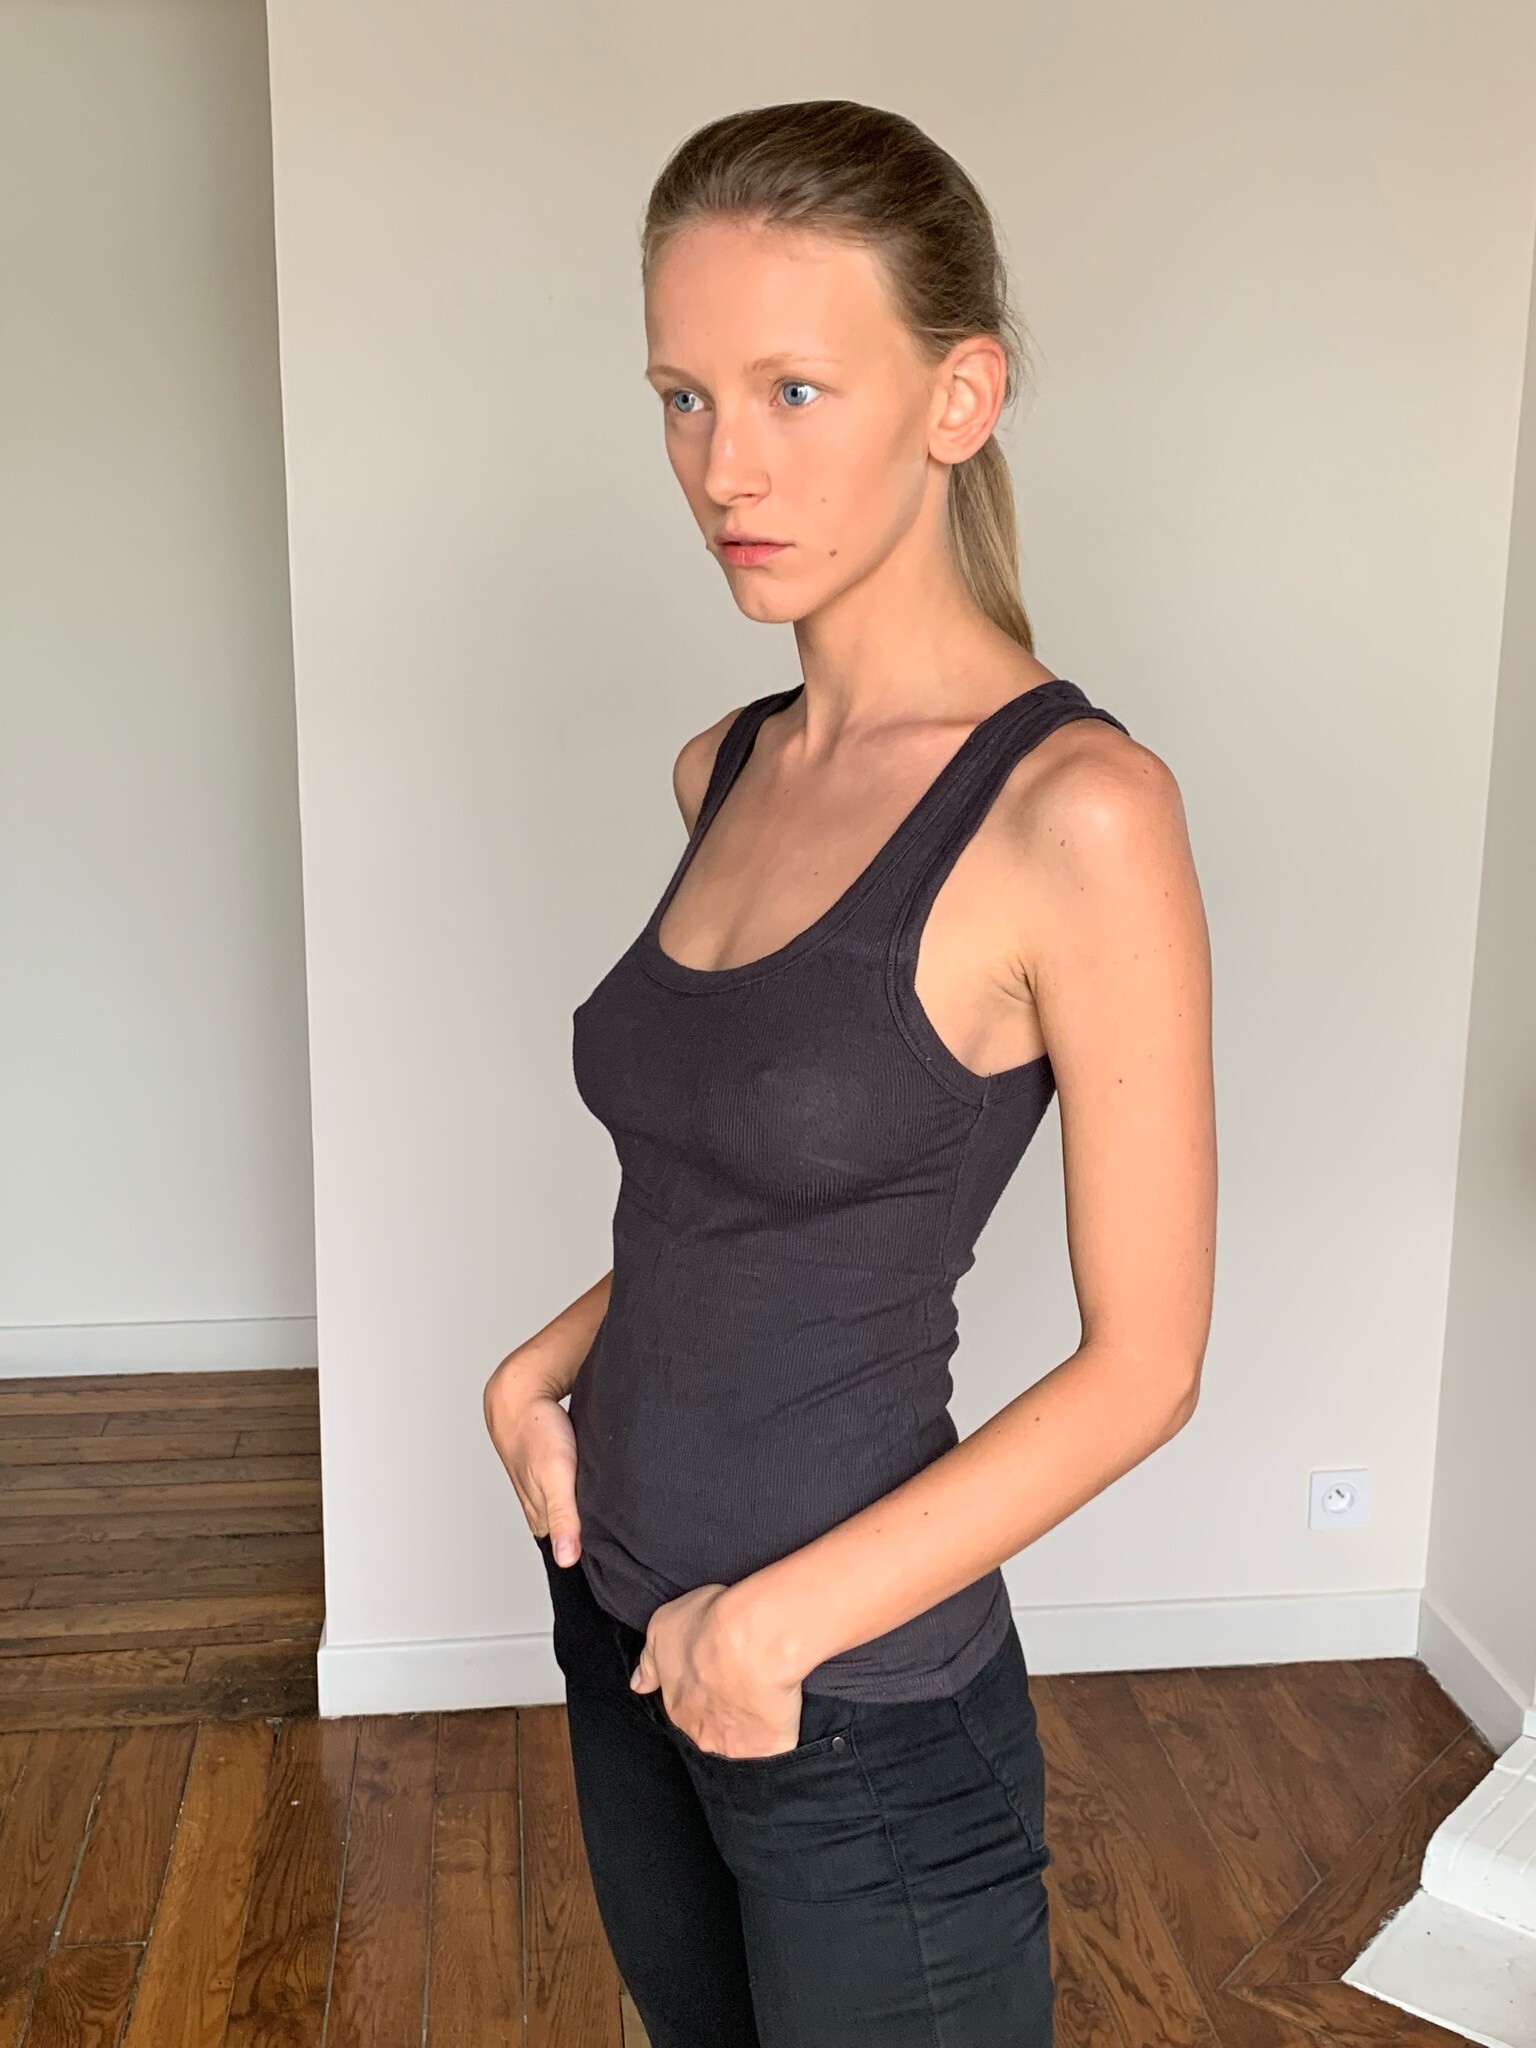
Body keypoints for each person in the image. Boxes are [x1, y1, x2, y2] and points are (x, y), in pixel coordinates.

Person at [485, 97, 1215, 2048]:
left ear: (958, 396)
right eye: (684, 397)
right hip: (619, 1613)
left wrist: (779, 1623)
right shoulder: (725, 767)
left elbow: (1148, 1364)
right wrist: (536, 1373)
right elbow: (731, 1196)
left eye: (794, 389)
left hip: (855, 1705)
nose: (725, 465)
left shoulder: (1079, 815)